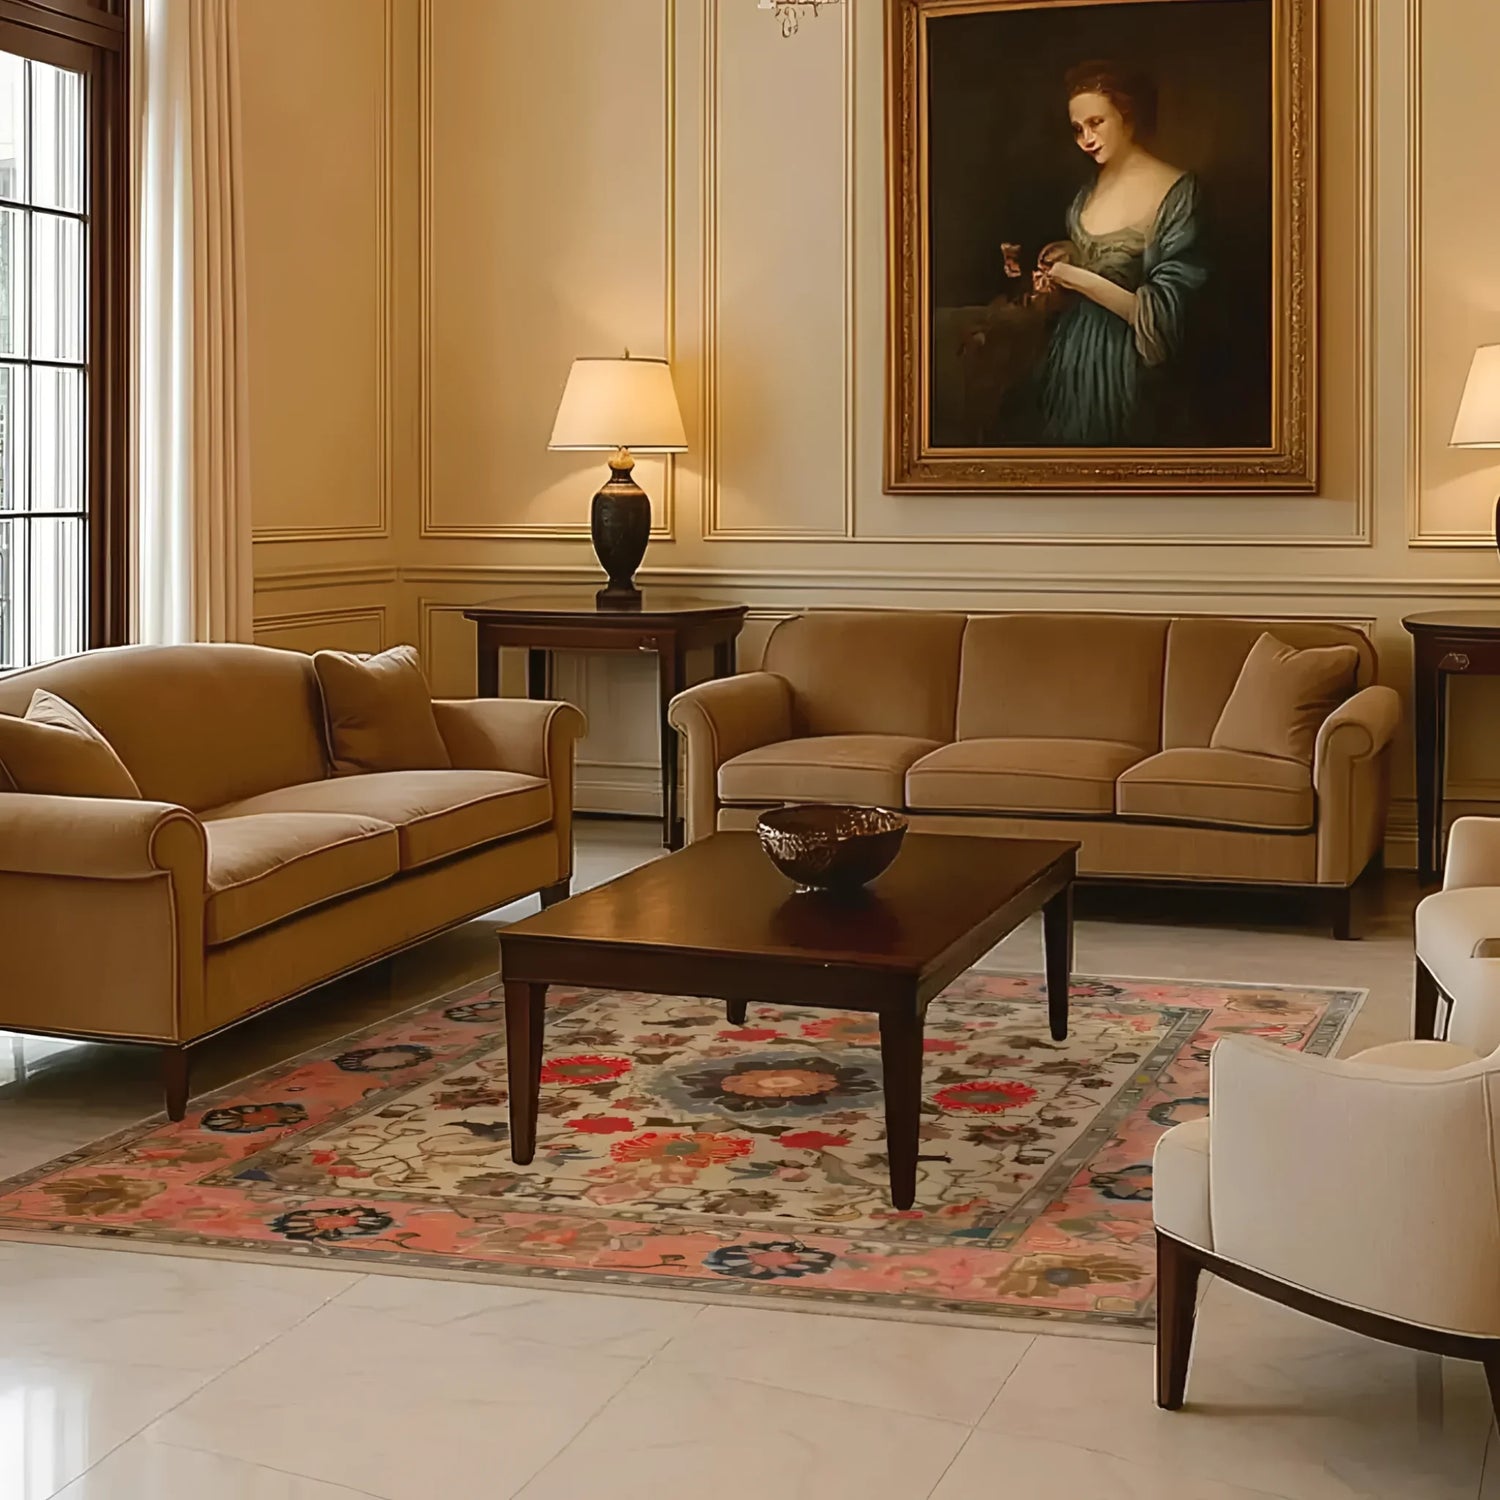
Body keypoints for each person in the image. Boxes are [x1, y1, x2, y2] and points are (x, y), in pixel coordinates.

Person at [1033, 61, 1207, 446]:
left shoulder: (1174, 189)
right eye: (1078, 129)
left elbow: (1164, 317)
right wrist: (1069, 258)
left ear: (1127, 116)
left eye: (1097, 122)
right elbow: (1103, 259)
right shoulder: (1089, 191)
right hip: (1071, 358)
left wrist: (1076, 277)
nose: (1086, 138)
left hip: (1125, 368)